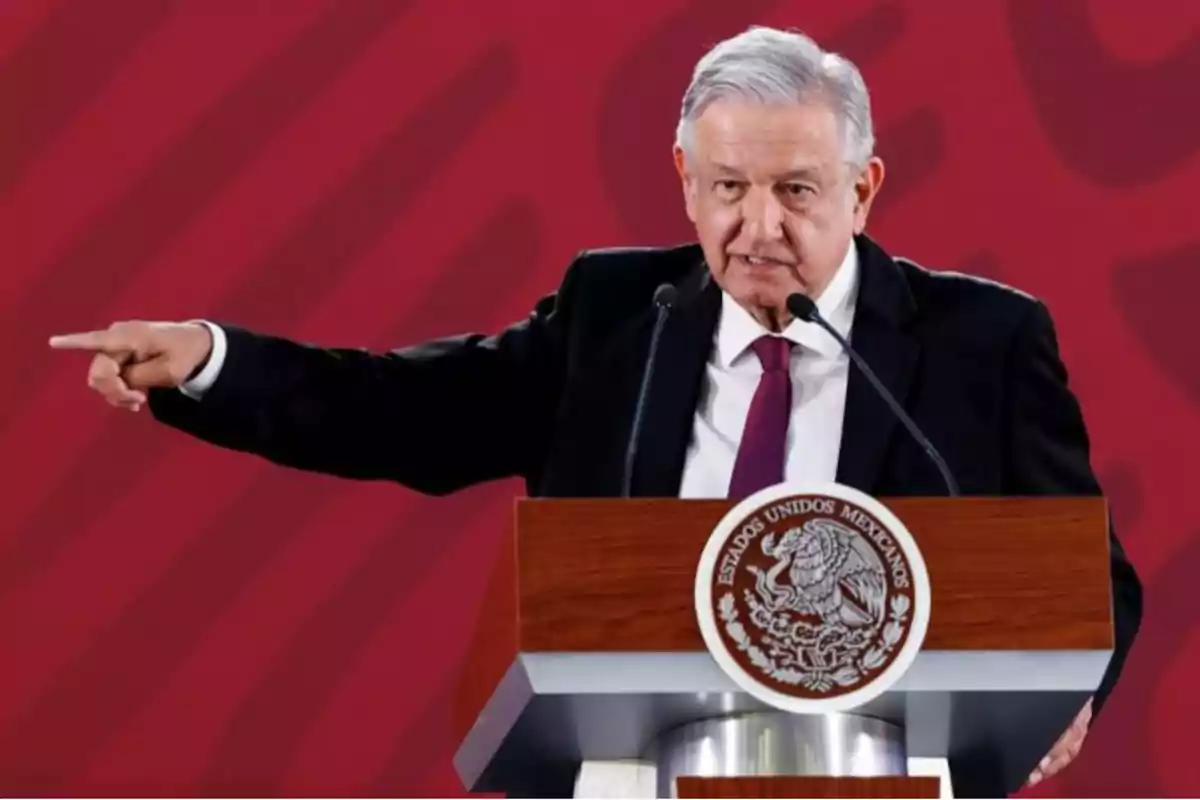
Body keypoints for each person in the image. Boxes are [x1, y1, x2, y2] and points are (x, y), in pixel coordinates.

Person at [50, 25, 1139, 797]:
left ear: (862, 189)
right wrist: (209, 360)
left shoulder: (980, 339)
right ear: (683, 177)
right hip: (622, 771)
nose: (757, 225)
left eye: (797, 190)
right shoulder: (616, 314)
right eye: (727, 187)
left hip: (893, 765)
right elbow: (404, 411)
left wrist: (1068, 684)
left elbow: (1085, 564)